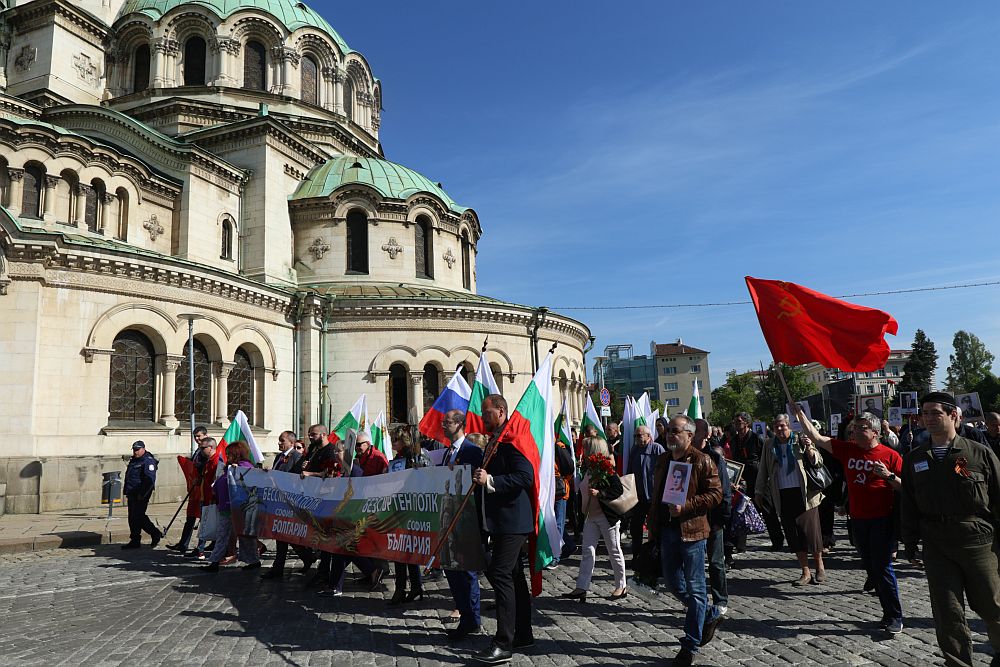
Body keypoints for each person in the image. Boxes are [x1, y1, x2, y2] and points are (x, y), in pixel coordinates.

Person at [901, 392, 1000, 666]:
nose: (929, 418)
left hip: (978, 540)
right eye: (925, 413)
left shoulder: (978, 453)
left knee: (992, 607)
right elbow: (908, 504)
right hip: (937, 543)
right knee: (947, 612)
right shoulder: (915, 459)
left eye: (936, 413)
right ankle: (957, 663)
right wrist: (909, 544)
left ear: (954, 415)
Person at [797, 408, 904, 634]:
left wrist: (889, 476)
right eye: (854, 428)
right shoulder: (848, 450)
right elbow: (817, 438)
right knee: (871, 567)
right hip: (858, 520)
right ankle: (886, 609)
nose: (854, 431)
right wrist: (800, 414)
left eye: (861, 428)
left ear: (875, 432)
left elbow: (907, 488)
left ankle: (894, 615)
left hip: (882, 519)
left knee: (883, 567)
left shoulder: (890, 455)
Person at [647, 415, 724, 667]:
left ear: (689, 435)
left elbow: (716, 494)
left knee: (696, 588)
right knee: (672, 583)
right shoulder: (662, 460)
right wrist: (653, 525)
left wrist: (687, 506)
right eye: (668, 430)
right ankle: (710, 613)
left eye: (675, 431)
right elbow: (656, 496)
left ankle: (690, 645)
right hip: (667, 531)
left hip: (692, 532)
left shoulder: (703, 461)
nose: (670, 434)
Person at [471, 394, 535, 664]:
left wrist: (490, 480)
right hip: (500, 520)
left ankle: (503, 643)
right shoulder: (496, 439)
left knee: (500, 573)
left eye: (486, 413)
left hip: (513, 520)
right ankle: (523, 633)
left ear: (500, 411)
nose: (482, 417)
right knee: (513, 575)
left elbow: (524, 476)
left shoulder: (511, 440)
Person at [755, 414, 825, 587]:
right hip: (783, 494)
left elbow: (818, 462)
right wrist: (759, 491)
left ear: (789, 426)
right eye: (776, 426)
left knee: (811, 533)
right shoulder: (769, 444)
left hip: (805, 494)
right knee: (793, 534)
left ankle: (819, 566)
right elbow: (763, 469)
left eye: (783, 426)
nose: (780, 429)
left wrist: (809, 448)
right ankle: (805, 571)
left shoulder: (800, 440)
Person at [439, 409, 485, 641]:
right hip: (449, 519)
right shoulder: (448, 452)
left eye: (446, 422)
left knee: (466, 573)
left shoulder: (472, 451)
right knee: (452, 570)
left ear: (459, 424)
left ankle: (472, 620)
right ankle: (464, 613)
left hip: (466, 521)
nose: (442, 425)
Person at [562, 436, 627, 603]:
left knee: (614, 551)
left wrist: (601, 493)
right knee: (587, 552)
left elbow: (618, 489)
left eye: (586, 448)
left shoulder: (606, 468)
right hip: (590, 517)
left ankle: (621, 585)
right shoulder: (588, 469)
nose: (583, 452)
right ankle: (581, 587)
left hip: (606, 517)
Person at [262, 430, 316, 580]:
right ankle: (305, 558)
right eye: (279, 440)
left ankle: (280, 568)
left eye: (282, 441)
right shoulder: (279, 456)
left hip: (290, 502)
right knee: (283, 535)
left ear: (291, 443)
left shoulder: (297, 457)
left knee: (285, 534)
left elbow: (299, 479)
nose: (279, 443)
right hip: (280, 500)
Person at [387, 426, 430, 605]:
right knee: (400, 551)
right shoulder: (398, 459)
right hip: (398, 507)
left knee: (407, 550)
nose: (392, 443)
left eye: (395, 440)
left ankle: (408, 588)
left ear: (404, 440)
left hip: (410, 509)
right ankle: (408, 587)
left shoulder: (416, 457)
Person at [203, 441, 261, 572]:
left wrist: (238, 471)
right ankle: (215, 562)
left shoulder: (245, 466)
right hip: (226, 506)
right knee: (225, 534)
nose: (227, 456)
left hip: (237, 508)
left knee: (242, 536)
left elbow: (249, 484)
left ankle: (252, 560)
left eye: (229, 454)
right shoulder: (228, 467)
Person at [730, 412, 782, 551]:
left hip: (759, 479)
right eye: (735, 421)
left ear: (746, 423)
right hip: (742, 479)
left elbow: (765, 458)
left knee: (767, 510)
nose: (736, 423)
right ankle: (740, 545)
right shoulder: (734, 440)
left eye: (739, 421)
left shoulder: (757, 438)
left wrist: (765, 476)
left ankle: (777, 541)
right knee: (741, 510)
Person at [695, 419, 730, 616]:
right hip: (693, 517)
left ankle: (720, 599)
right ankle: (699, 600)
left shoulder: (715, 457)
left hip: (713, 517)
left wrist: (723, 516)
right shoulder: (686, 456)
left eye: (697, 430)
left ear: (706, 434)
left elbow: (724, 488)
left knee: (716, 562)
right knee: (695, 562)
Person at [167, 426, 210, 554]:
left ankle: (200, 548)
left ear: (206, 435)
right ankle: (183, 544)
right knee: (190, 517)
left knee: (204, 520)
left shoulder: (207, 451)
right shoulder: (198, 451)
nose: (197, 439)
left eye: (199, 436)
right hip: (195, 489)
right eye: (195, 436)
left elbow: (207, 468)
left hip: (203, 490)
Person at [626, 425, 665, 558]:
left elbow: (665, 471)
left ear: (648, 436)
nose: (637, 438)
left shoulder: (657, 449)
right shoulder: (635, 450)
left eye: (639, 435)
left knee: (655, 528)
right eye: (635, 436)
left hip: (654, 497)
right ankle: (636, 555)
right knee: (635, 528)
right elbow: (629, 472)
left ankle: (656, 555)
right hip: (638, 497)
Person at [122, 440, 162, 550]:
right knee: (132, 517)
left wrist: (143, 494)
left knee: (138, 516)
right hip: (132, 492)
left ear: (143, 449)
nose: (135, 452)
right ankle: (135, 540)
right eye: (134, 450)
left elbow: (150, 480)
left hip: (141, 493)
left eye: (137, 450)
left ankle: (155, 533)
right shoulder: (134, 460)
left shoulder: (148, 461)